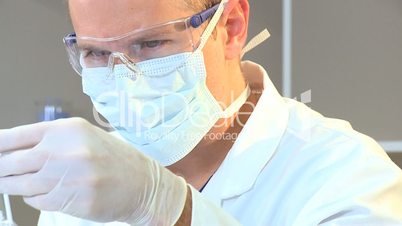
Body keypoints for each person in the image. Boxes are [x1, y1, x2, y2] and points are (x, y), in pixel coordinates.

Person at [0, 0, 401, 225]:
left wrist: (167, 208)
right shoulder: (80, 181)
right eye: (96, 53)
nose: (125, 78)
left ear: (231, 26)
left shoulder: (349, 178)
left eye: (151, 44)